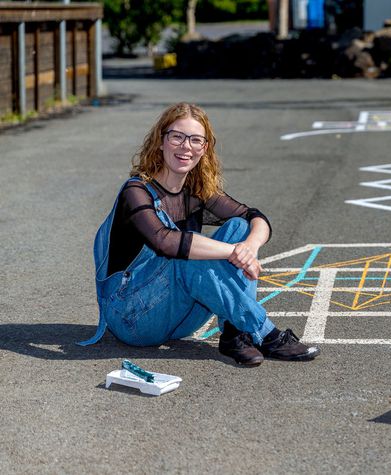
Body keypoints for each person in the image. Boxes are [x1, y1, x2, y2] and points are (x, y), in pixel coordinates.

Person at [79, 102, 320, 366]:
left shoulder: (197, 191)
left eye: (195, 140)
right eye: (177, 137)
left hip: (179, 316)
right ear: (161, 141)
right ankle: (266, 333)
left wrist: (249, 247)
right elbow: (166, 242)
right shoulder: (135, 192)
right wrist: (235, 252)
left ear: (204, 148)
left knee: (238, 228)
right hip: (132, 317)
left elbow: (256, 218)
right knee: (187, 258)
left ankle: (234, 334)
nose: (186, 147)